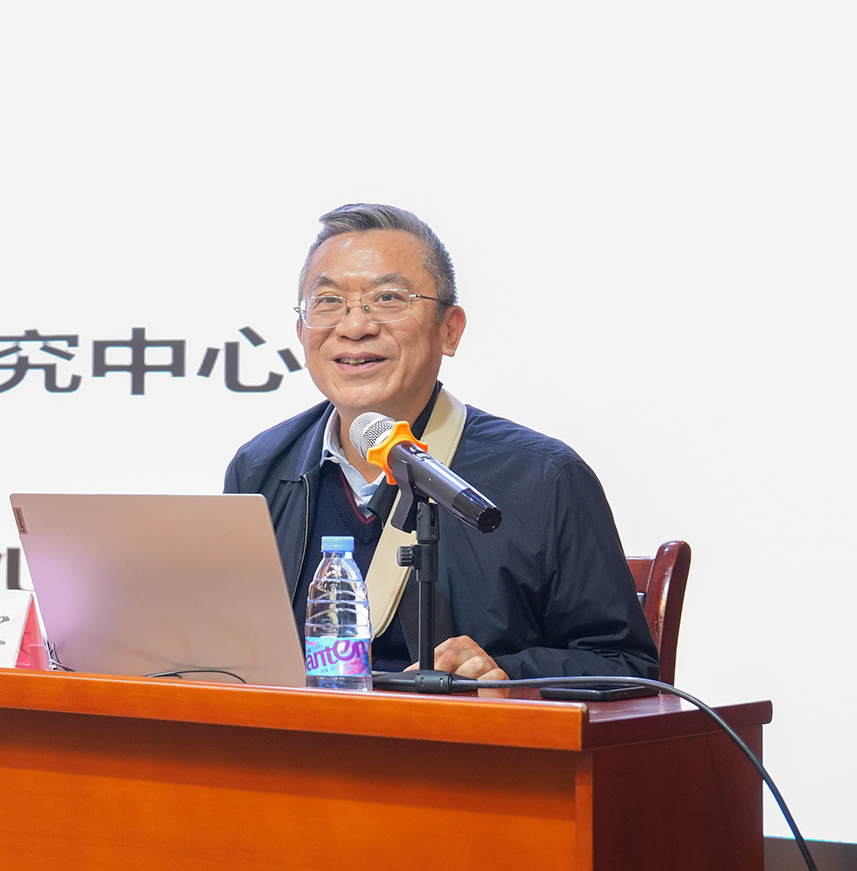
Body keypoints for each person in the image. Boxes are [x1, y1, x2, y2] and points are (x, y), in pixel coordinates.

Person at [224, 203, 659, 681]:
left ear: (449, 330)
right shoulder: (261, 469)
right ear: (301, 332)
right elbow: (225, 652)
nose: (354, 327)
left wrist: (503, 673)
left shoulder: (543, 478)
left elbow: (626, 666)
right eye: (328, 301)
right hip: (295, 729)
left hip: (463, 729)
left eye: (388, 298)